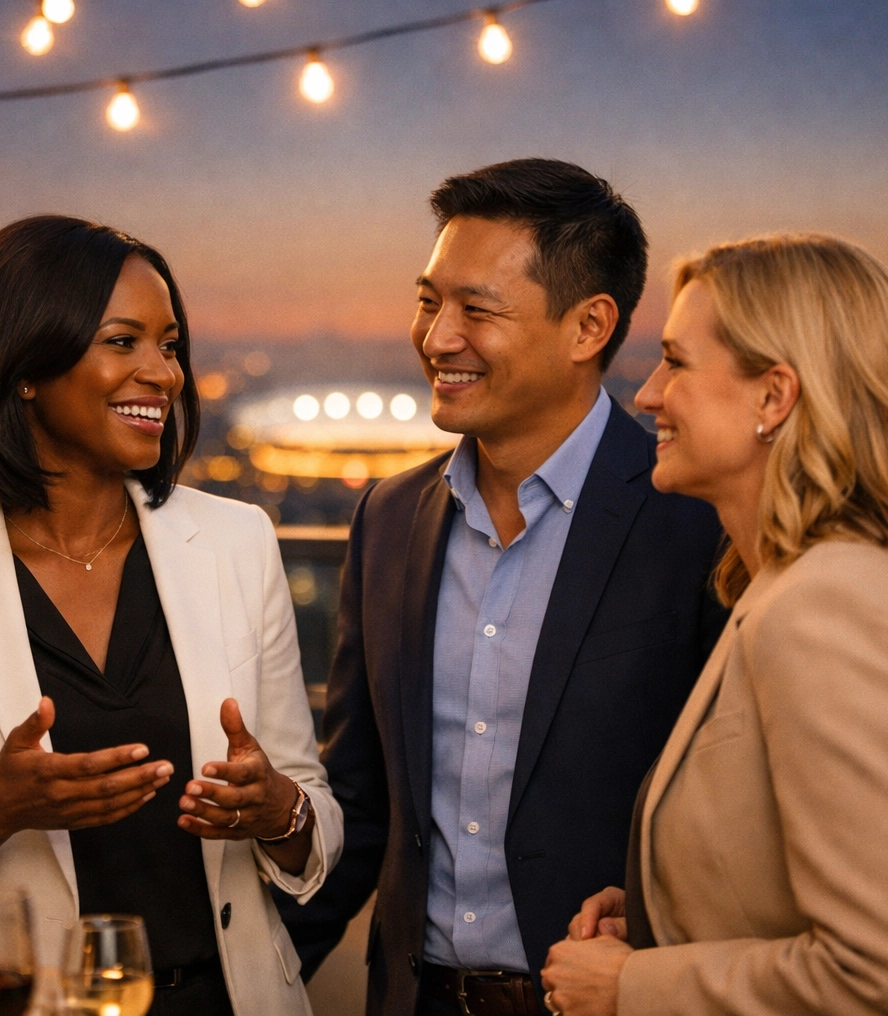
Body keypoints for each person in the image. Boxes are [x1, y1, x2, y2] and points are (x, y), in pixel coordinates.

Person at [0, 215, 341, 1015]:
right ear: (26, 364)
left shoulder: (238, 542)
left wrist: (278, 809)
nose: (162, 374)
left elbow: (313, 822)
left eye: (169, 346)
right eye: (122, 342)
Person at [277, 158, 727, 1016]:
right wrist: (239, 976)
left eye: (476, 309)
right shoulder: (389, 518)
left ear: (589, 326)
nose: (437, 337)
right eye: (428, 301)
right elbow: (365, 804)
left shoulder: (696, 519)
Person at [541, 233, 888, 1016]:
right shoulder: (813, 583)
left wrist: (632, 987)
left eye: (677, 362)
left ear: (773, 397)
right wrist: (670, 911)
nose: (647, 394)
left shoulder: (828, 609)